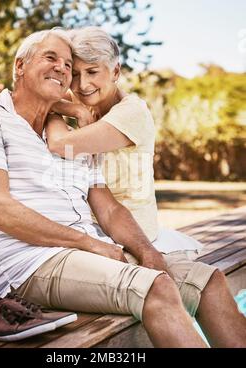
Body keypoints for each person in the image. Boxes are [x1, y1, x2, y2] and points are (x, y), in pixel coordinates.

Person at [43, 27, 246, 347]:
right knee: (200, 283)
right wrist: (72, 108)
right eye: (77, 74)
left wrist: (69, 110)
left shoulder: (132, 112)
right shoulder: (80, 104)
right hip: (98, 245)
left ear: (117, 71)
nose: (83, 85)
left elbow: (63, 145)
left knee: (212, 280)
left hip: (136, 236)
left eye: (93, 72)